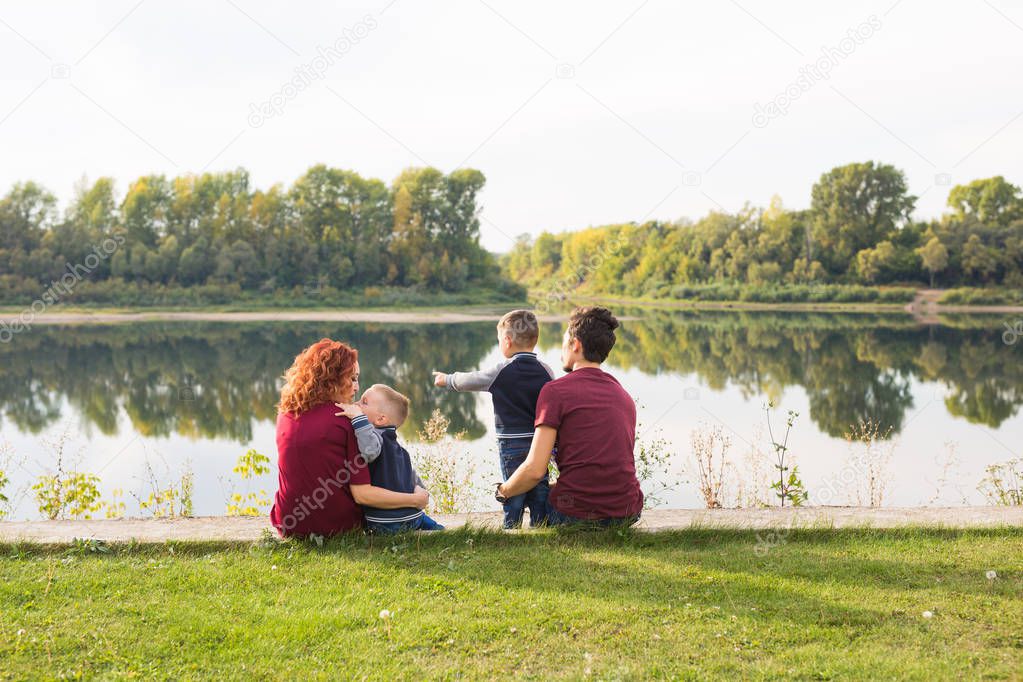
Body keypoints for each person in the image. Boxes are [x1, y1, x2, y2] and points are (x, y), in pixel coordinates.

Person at [496, 307, 643, 527]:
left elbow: (535, 470)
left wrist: (503, 491)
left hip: (575, 515)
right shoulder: (623, 395)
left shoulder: (555, 391)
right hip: (627, 511)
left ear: (575, 344)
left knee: (538, 494)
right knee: (552, 489)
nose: (561, 350)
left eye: (564, 342)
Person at [270, 339, 429, 537]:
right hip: (336, 527)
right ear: (333, 379)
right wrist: (416, 500)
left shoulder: (285, 414)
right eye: (352, 379)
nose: (356, 388)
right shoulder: (346, 421)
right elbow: (363, 495)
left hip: (288, 523)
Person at [432, 309, 554, 528]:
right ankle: (540, 527)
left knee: (513, 490)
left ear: (507, 341)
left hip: (511, 444)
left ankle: (511, 529)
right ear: (535, 339)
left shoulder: (501, 371)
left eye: (499, 340)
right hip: (539, 443)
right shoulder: (547, 371)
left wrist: (447, 379)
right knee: (539, 489)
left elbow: (471, 380)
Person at [335, 384, 444, 534]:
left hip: (387, 522)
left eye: (364, 402)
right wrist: (420, 489)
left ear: (380, 419)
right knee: (437, 530)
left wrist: (357, 418)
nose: (356, 404)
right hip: (414, 516)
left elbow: (370, 451)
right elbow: (412, 477)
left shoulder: (377, 438)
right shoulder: (399, 449)